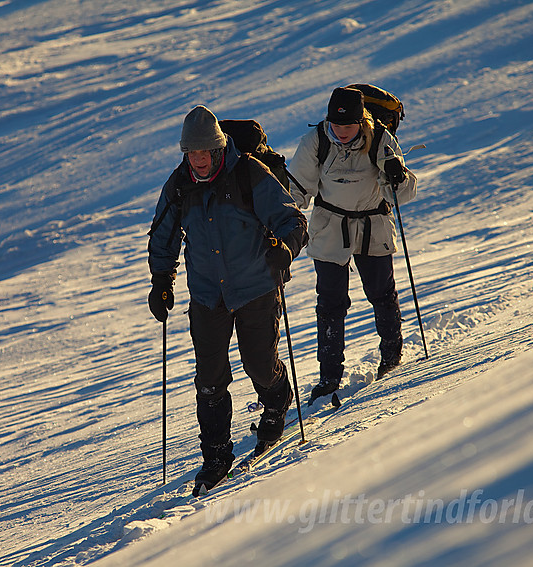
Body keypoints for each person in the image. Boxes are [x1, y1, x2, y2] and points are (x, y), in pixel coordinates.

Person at [147, 105, 308, 492]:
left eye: (204, 153)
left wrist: (285, 249)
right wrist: (161, 280)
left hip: (256, 288)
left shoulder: (250, 174)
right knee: (209, 379)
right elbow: (163, 236)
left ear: (218, 149)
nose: (198, 161)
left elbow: (293, 219)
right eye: (191, 154)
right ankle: (216, 455)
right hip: (206, 295)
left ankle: (277, 395)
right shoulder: (179, 185)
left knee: (259, 364)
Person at [287, 87, 418, 404]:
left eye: (348, 126)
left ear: (362, 121)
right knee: (330, 302)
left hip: (373, 224)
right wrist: (279, 217)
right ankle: (329, 377)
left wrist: (398, 176)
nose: (342, 132)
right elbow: (297, 189)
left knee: (381, 294)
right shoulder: (316, 141)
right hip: (331, 226)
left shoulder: (380, 138)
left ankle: (391, 358)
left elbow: (401, 194)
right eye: (336, 126)